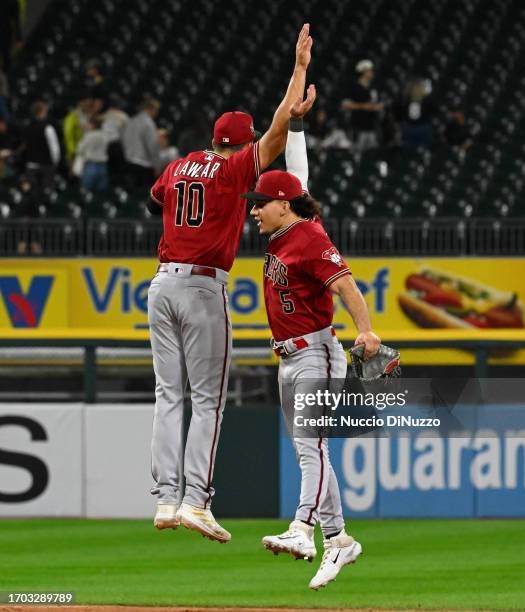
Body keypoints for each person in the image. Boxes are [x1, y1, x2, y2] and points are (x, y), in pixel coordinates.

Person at [146, 24, 314, 543]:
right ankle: (196, 500)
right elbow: (280, 130)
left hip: (160, 286)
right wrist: (299, 69)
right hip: (201, 287)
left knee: (167, 395)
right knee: (209, 400)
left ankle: (165, 500)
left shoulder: (178, 165)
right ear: (240, 143)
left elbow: (159, 197)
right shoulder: (234, 169)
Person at [242, 102, 381, 590]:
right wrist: (296, 125)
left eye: (260, 202)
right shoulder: (287, 230)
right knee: (310, 451)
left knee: (311, 447)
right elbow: (296, 175)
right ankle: (339, 539)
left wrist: (365, 330)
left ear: (284, 204)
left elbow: (346, 285)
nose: (253, 209)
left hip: (318, 351)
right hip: (289, 356)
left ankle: (303, 529)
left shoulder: (309, 237)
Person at [341, 59, 383, 161]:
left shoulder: (374, 87)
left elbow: (378, 104)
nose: (372, 73)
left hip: (372, 126)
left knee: (371, 154)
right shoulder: (354, 87)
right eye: (369, 70)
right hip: (358, 126)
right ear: (363, 72)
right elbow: (345, 105)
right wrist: (365, 106)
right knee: (356, 154)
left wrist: (377, 107)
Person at [22, 100, 60, 203]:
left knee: (32, 195)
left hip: (31, 166)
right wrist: (54, 163)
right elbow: (54, 148)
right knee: (46, 195)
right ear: (42, 111)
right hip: (46, 167)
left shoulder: (27, 127)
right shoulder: (48, 128)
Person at [122, 97, 162, 188]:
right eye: (156, 110)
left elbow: (124, 140)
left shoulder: (131, 121)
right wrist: (157, 166)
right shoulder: (148, 123)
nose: (156, 113)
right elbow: (152, 146)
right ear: (150, 108)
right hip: (143, 166)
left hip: (129, 163)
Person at [77, 115, 109, 192]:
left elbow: (79, 149)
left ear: (92, 124)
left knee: (86, 191)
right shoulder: (106, 136)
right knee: (101, 194)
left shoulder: (89, 136)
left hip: (91, 166)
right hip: (103, 166)